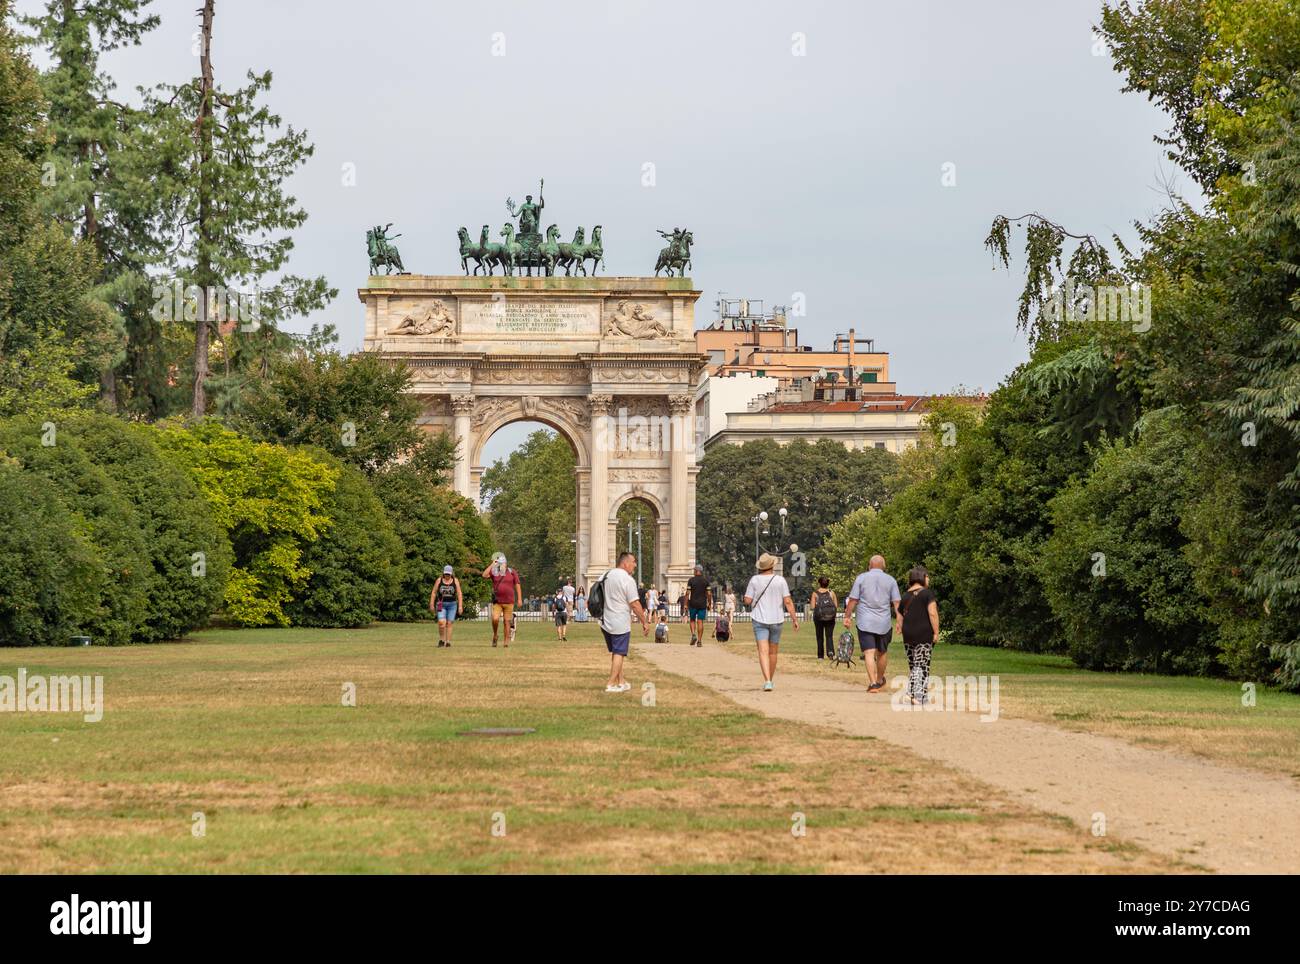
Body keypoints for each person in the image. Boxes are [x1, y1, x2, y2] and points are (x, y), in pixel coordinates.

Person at [844, 554, 901, 693]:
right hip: (884, 622)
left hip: (865, 621)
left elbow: (853, 600)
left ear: (869, 566)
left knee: (869, 653)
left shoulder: (861, 578)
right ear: (884, 566)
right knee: (882, 652)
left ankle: (873, 683)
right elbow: (897, 603)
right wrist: (900, 620)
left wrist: (847, 616)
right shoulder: (891, 580)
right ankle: (880, 680)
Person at [744, 553, 799, 691]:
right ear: (772, 566)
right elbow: (787, 601)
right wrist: (794, 619)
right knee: (773, 652)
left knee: (763, 651)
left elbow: (747, 600)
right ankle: (770, 679)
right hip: (777, 619)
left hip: (759, 618)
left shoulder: (754, 580)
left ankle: (767, 680)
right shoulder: (780, 581)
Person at [598, 551, 650, 692]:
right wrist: (644, 621)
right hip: (620, 621)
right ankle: (610, 684)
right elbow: (634, 604)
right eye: (633, 562)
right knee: (620, 653)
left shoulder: (605, 575)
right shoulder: (627, 580)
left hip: (605, 620)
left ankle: (621, 681)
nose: (635, 565)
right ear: (625, 563)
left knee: (616, 653)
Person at [899, 566, 940, 705]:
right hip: (923, 632)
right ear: (922, 577)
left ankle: (918, 695)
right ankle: (914, 694)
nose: (928, 579)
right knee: (922, 665)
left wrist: (900, 628)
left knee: (914, 664)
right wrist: (936, 632)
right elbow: (932, 613)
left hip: (908, 634)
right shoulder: (927, 594)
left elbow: (900, 616)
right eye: (927, 576)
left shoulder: (905, 596)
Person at [482, 554, 523, 648]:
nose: (501, 565)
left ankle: (506, 642)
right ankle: (495, 635)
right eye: (499, 563)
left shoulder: (512, 572)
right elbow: (484, 575)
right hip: (498, 602)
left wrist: (520, 599)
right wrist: (492, 564)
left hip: (509, 601)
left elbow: (517, 585)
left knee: (507, 621)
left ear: (506, 563)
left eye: (503, 563)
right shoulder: (494, 571)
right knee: (495, 619)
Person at [429, 565, 463, 648]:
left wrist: (460, 606)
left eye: (448, 574)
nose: (447, 576)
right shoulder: (439, 580)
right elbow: (434, 592)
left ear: (451, 574)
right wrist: (431, 604)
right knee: (441, 622)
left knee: (449, 623)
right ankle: (442, 640)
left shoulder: (455, 581)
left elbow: (459, 593)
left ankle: (448, 642)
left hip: (452, 605)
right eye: (446, 574)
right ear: (443, 573)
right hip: (441, 604)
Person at [810, 576, 839, 659]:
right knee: (829, 636)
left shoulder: (815, 593)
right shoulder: (831, 593)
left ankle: (820, 655)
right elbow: (836, 606)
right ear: (828, 583)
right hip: (830, 618)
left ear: (819, 583)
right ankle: (830, 653)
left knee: (819, 636)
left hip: (819, 617)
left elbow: (812, 606)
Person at [686, 564, 712, 647]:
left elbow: (687, 593)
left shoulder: (691, 580)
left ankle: (693, 634)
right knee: (700, 621)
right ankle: (699, 641)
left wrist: (685, 604)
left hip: (693, 603)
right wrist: (709, 603)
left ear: (696, 571)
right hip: (702, 603)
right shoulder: (706, 581)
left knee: (692, 620)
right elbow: (709, 593)